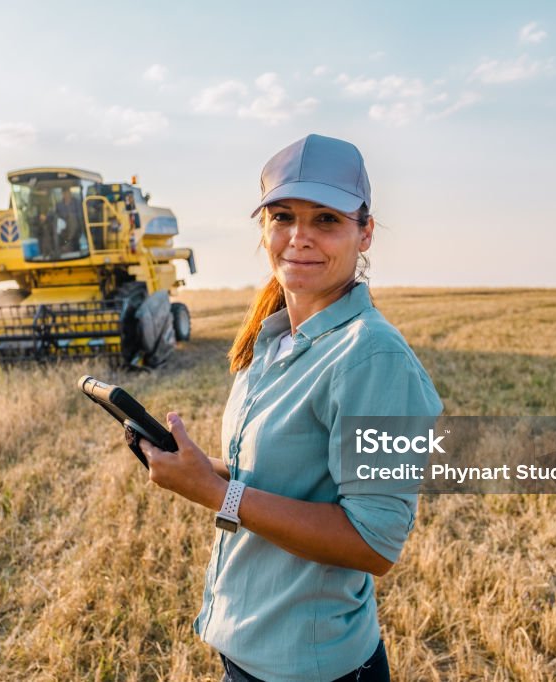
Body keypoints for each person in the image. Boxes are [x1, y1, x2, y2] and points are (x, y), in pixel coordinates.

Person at [139, 134, 443, 681]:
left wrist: (217, 493)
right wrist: (201, 469)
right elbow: (288, 480)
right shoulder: (274, 339)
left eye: (326, 219)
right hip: (249, 648)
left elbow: (373, 543)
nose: (299, 237)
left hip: (313, 667)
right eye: (283, 216)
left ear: (365, 231)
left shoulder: (373, 356)